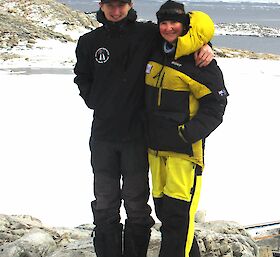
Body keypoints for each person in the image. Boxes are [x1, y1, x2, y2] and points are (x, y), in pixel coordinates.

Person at [73, 0, 214, 256]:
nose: (116, 12)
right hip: (103, 136)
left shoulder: (146, 33)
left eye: (121, 5)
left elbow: (179, 36)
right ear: (101, 5)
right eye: (110, 6)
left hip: (138, 137)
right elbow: (81, 76)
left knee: (137, 204)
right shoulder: (88, 42)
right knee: (105, 203)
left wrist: (205, 45)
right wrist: (94, 99)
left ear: (130, 4)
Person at [145, 1, 229, 257]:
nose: (168, 28)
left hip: (185, 154)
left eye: (174, 23)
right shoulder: (156, 51)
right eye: (164, 22)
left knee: (179, 217)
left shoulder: (201, 64)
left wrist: (186, 134)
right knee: (164, 213)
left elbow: (216, 106)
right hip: (156, 151)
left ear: (185, 26)